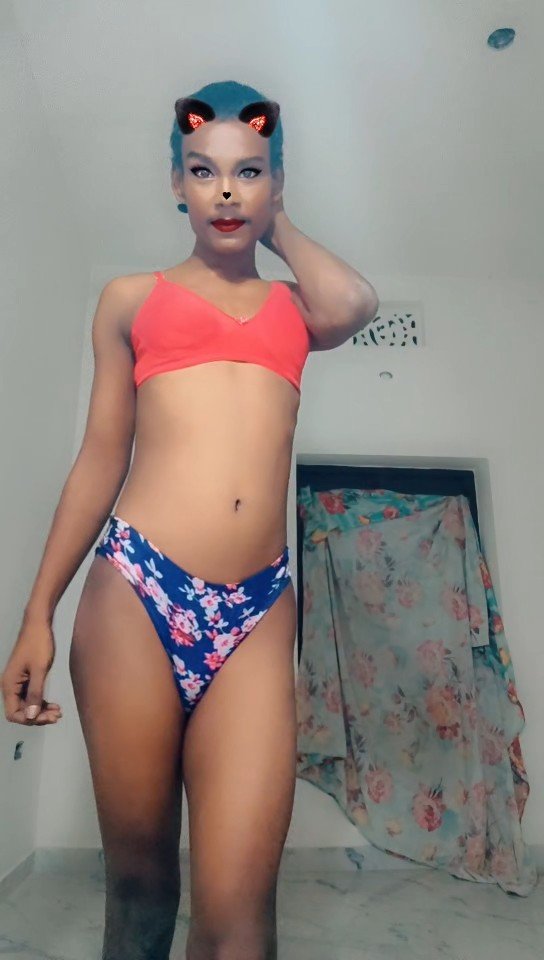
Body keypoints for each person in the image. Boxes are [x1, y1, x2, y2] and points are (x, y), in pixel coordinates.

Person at [1, 80, 378, 960]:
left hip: (257, 608)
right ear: (176, 182)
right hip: (137, 588)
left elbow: (357, 303)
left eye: (249, 172)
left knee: (241, 921)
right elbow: (101, 459)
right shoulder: (131, 299)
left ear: (276, 184)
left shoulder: (295, 311)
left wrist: (274, 221)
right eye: (203, 171)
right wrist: (36, 615)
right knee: (141, 894)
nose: (226, 190)